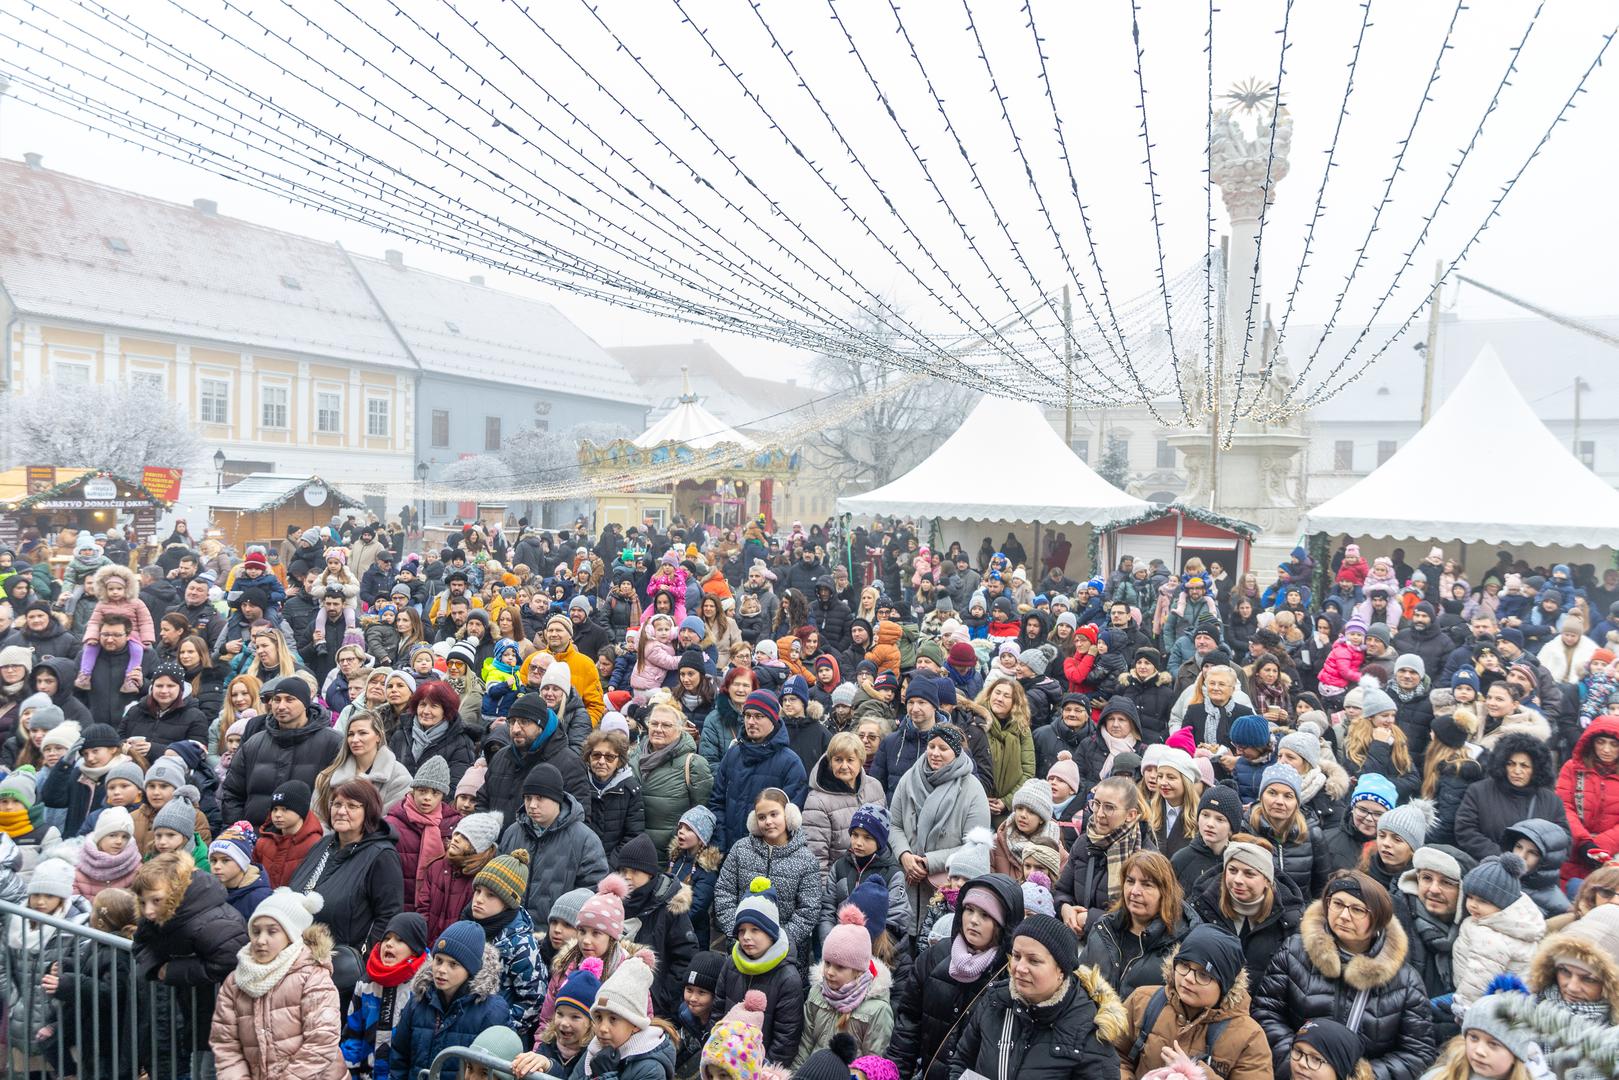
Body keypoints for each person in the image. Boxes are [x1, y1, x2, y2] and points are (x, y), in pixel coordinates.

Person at [1253, 870, 1436, 1080]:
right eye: (1337, 904)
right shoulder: (1295, 951)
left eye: (1357, 909)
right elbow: (1266, 1012)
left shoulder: (1405, 981)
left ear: (1377, 918)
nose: (1343, 916)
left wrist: (1359, 1075)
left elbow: (1418, 1053)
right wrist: (1301, 1062)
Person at [947, 913, 1125, 1080]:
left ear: (1061, 971)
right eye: (1017, 956)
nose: (1020, 968)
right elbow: (961, 1061)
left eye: (1034, 961)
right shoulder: (995, 1001)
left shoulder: (1089, 1029)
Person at [890, 873, 1023, 1080]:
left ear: (1003, 925)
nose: (973, 921)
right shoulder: (935, 957)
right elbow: (907, 1026)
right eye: (969, 910)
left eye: (985, 915)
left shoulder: (1010, 975)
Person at [208, 888, 345, 1080]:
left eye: (272, 931)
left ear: (291, 935)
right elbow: (226, 1044)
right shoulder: (235, 981)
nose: (261, 940)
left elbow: (321, 1041)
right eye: (255, 932)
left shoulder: (312, 976)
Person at [1112, 923, 1272, 1080]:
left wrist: (1199, 1074)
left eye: (1203, 974)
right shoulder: (1142, 1001)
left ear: (1226, 986)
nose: (1188, 978)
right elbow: (1112, 1056)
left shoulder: (1249, 1037)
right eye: (1184, 965)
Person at [132, 851, 250, 1057]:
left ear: (176, 891)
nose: (148, 911)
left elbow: (230, 961)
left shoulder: (215, 921)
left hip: (220, 1015)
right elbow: (141, 943)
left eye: (156, 901)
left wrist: (172, 970)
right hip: (187, 1011)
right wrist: (157, 968)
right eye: (142, 903)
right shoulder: (157, 914)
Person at [889, 722, 992, 938]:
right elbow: (895, 824)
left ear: (956, 752)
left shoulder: (972, 788)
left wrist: (928, 861)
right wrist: (905, 855)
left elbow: (974, 845)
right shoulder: (909, 778)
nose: (935, 753)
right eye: (931, 746)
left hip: (945, 886)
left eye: (943, 748)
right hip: (907, 879)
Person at [287, 778, 404, 954]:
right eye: (337, 804)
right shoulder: (323, 844)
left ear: (368, 811)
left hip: (341, 964)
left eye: (351, 806)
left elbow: (388, 917)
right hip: (297, 953)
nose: (341, 811)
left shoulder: (381, 856)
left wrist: (363, 958)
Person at [389, 921, 512, 1080]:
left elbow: (497, 1071)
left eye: (453, 964)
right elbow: (400, 1056)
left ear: (471, 969)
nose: (441, 970)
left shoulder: (492, 1011)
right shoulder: (418, 1001)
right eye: (438, 960)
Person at [712, 787, 824, 955]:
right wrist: (737, 933)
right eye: (762, 817)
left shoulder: (806, 859)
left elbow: (809, 909)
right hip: (742, 948)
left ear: (789, 815)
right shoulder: (740, 849)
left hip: (785, 954)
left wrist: (779, 940)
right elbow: (724, 892)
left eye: (774, 814)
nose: (768, 822)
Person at [221, 677, 342, 826]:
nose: (281, 706)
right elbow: (232, 792)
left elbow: (339, 796)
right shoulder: (254, 743)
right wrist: (241, 829)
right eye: (277, 700)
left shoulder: (332, 742)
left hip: (309, 840)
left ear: (305, 703)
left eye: (289, 700)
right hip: (255, 838)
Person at [495, 761, 609, 922]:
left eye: (540, 798)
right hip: (510, 929)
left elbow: (591, 892)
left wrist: (562, 928)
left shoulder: (585, 840)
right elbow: (497, 881)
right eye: (528, 798)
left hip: (557, 935)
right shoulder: (512, 832)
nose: (532, 805)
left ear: (556, 799)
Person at [1188, 832, 1305, 983]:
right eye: (1232, 870)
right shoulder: (1200, 906)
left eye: (1249, 874)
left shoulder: (1290, 919)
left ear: (1267, 880)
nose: (1238, 880)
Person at [711, 878, 805, 1064]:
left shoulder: (788, 978)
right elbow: (718, 1009)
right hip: (726, 1058)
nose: (746, 937)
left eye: (755, 930)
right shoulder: (732, 963)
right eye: (742, 930)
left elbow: (786, 1037)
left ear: (770, 933)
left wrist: (763, 1068)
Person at [1078, 850, 1193, 1001]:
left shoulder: (1182, 943)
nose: (1135, 891)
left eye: (1147, 885)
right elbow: (1078, 984)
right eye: (1130, 881)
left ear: (1165, 892)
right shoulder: (1103, 929)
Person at [1056, 775, 1156, 940]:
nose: (1099, 814)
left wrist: (1090, 919)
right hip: (1078, 941)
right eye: (1096, 804)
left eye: (1109, 807)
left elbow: (1142, 916)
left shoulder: (1146, 856)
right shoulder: (1083, 843)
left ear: (1131, 814)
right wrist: (1065, 908)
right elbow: (1061, 890)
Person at [793, 904, 894, 1066]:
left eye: (840, 967)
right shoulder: (817, 993)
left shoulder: (877, 1010)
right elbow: (805, 1045)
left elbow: (874, 1065)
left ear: (858, 971)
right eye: (827, 963)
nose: (830, 972)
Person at [707, 689, 808, 850]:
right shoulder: (732, 754)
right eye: (747, 715)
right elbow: (717, 802)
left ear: (773, 719)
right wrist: (721, 842)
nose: (751, 722)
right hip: (728, 851)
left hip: (767, 856)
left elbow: (790, 819)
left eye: (759, 716)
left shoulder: (791, 763)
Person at [1453, 731, 1568, 863]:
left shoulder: (1551, 801)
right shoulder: (1478, 791)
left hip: (1533, 876)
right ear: (1502, 764)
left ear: (1536, 768)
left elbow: (1562, 840)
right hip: (1488, 868)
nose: (1517, 771)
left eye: (1524, 765)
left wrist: (1533, 860)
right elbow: (1465, 831)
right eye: (1511, 764)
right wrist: (1503, 857)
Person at [1450, 854, 1545, 1011]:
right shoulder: (1509, 923)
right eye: (1470, 897)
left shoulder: (1491, 936)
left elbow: (1480, 978)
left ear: (1503, 903)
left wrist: (1464, 1008)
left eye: (1483, 901)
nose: (1472, 905)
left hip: (1482, 1006)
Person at [632, 698, 714, 851]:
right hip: (635, 848)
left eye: (666, 725)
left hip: (672, 853)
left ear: (679, 729)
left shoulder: (694, 764)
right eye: (654, 723)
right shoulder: (633, 758)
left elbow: (701, 812)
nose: (658, 729)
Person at [1417, 992, 1555, 1080]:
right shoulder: (1442, 1076)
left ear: (1516, 1054)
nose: (1479, 1051)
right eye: (1474, 1038)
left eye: (1493, 1044)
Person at [803, 731, 886, 869]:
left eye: (850, 760)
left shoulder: (875, 787)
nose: (844, 766)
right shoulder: (816, 801)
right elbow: (816, 858)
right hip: (838, 882)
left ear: (861, 761)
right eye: (838, 760)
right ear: (830, 762)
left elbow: (884, 837)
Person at [1556, 713, 1619, 888]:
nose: (1606, 750)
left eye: (1614, 744)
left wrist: (1599, 847)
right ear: (1591, 742)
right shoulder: (1573, 768)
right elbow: (1564, 807)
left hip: (1609, 858)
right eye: (1601, 742)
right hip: (1573, 851)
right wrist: (1583, 842)